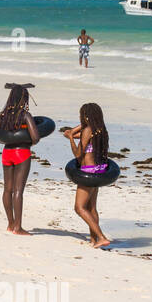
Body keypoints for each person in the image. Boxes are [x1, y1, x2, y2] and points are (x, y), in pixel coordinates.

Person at [0, 83, 41, 236]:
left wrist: (8, 139)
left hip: (7, 152)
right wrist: (27, 142)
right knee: (18, 191)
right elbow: (36, 137)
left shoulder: (3, 116)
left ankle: (10, 223)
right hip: (21, 153)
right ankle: (18, 228)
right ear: (24, 99)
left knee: (7, 189)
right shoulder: (25, 116)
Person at [63, 103, 111, 247]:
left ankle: (101, 237)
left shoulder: (87, 130)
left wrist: (72, 139)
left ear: (85, 116)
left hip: (88, 172)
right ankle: (93, 239)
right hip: (98, 170)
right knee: (91, 208)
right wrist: (74, 131)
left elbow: (78, 154)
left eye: (82, 115)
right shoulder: (99, 129)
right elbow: (71, 132)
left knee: (79, 208)